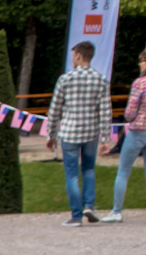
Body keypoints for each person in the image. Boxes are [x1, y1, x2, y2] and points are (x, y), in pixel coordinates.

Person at [48, 41, 113, 226]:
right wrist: (106, 138)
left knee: (71, 174)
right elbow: (105, 111)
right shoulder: (101, 79)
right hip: (91, 132)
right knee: (89, 169)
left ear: (78, 55)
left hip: (69, 132)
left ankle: (76, 215)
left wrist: (51, 134)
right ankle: (89, 206)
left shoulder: (65, 79)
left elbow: (54, 109)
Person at [105, 48, 146, 222]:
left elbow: (129, 113)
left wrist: (132, 116)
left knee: (123, 171)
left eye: (142, 60)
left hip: (138, 132)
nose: (139, 64)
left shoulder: (140, 83)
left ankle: (116, 211)